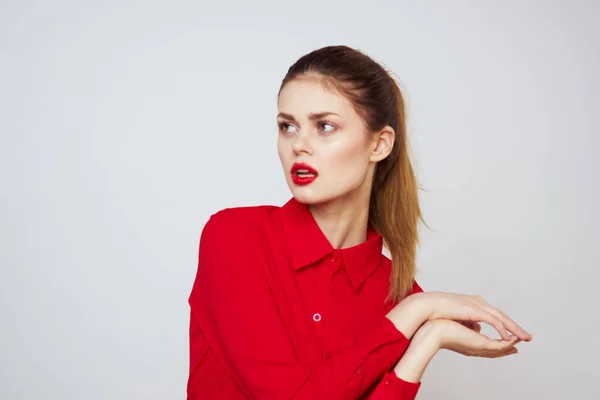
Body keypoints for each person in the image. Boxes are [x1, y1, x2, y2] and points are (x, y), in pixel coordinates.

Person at [186, 45, 533, 399]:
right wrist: (417, 311)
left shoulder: (396, 294)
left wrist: (428, 341)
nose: (299, 145)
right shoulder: (235, 238)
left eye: (324, 126)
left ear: (379, 144)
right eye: (287, 126)